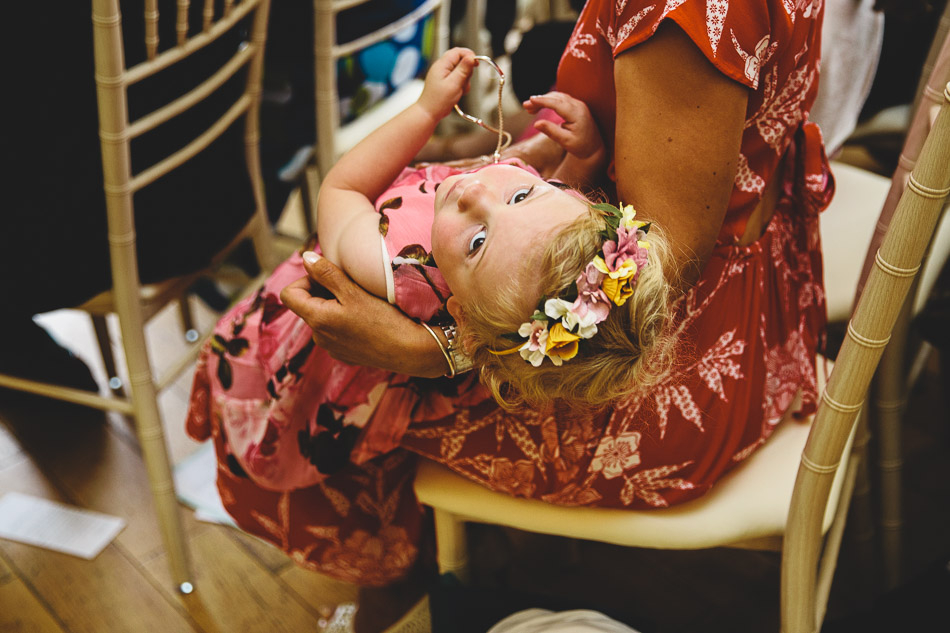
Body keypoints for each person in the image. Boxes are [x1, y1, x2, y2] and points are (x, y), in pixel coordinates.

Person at [193, 0, 834, 588]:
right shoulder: (536, 231)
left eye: (487, 227)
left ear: (475, 325)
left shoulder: (406, 268)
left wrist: (432, 351)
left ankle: (408, 577)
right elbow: (549, 220)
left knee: (338, 390)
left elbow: (672, 251)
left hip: (672, 377)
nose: (475, 192)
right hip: (739, 291)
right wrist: (564, 166)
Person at [186, 45, 670, 495]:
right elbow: (550, 215)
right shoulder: (526, 259)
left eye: (478, 241)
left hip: (307, 356)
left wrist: (424, 112)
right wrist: (585, 156)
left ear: (462, 315)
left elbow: (342, 190)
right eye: (523, 194)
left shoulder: (388, 263)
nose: (476, 191)